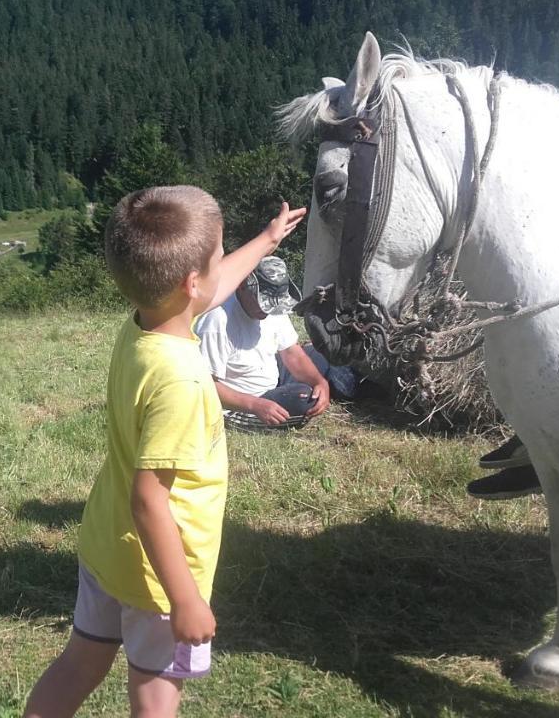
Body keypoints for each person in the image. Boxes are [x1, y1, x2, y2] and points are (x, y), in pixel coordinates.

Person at [22, 187, 306, 717]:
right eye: (219, 255)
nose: (222, 266)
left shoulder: (145, 325)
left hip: (107, 547)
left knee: (80, 662)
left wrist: (265, 242)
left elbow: (209, 290)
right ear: (191, 283)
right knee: (156, 695)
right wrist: (184, 600)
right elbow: (149, 501)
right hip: (157, 578)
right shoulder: (179, 379)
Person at [196, 256, 357, 431]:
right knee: (303, 399)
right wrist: (254, 405)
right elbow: (205, 385)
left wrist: (319, 382)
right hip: (241, 405)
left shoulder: (273, 312)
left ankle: (350, 386)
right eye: (262, 303)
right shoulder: (217, 320)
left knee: (325, 354)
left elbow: (291, 353)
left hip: (272, 377)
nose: (267, 311)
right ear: (242, 285)